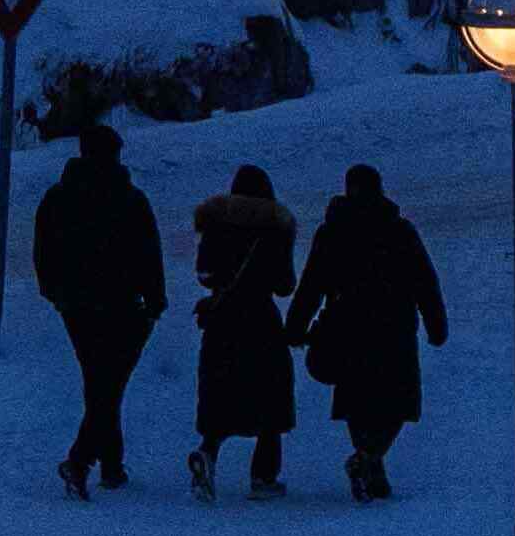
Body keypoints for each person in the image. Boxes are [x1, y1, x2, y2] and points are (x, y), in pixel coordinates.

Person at [293, 162, 447, 500]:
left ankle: (368, 462)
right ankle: (370, 459)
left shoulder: (333, 231)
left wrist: (296, 325)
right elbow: (425, 281)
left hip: (347, 328)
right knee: (397, 404)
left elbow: (311, 283)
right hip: (394, 329)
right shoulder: (398, 230)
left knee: (357, 402)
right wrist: (437, 325)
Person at [29, 118, 165, 497]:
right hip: (121, 303)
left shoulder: (59, 198)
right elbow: (148, 253)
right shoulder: (129, 199)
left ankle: (111, 464)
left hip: (76, 306)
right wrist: (155, 299)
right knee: (109, 384)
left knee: (100, 383)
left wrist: (54, 292)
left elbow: (44, 250)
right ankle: (81, 460)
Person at [185, 162, 303, 498]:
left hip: (222, 320)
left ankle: (208, 453)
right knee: (270, 398)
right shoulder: (276, 226)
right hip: (261, 320)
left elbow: (204, 273)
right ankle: (263, 478)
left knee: (220, 394)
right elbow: (284, 285)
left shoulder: (215, 223)